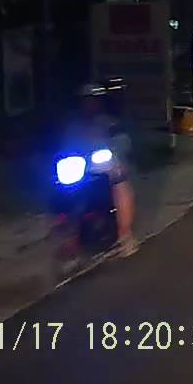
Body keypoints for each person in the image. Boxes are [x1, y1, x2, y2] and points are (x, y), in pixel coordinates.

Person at [65, 83, 138, 257]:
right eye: (86, 101)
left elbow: (123, 141)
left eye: (94, 100)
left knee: (120, 183)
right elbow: (64, 146)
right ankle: (69, 240)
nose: (90, 104)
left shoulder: (111, 123)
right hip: (82, 169)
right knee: (61, 191)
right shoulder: (74, 126)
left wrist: (116, 152)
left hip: (107, 168)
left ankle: (125, 235)